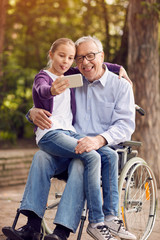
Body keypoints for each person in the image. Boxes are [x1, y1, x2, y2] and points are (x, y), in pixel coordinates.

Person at [2, 36, 135, 240]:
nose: (84, 62)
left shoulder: (120, 86)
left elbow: (125, 126)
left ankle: (62, 232)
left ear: (102, 56)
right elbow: (45, 88)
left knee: (84, 159)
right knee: (41, 157)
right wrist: (32, 112)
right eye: (79, 58)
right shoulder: (75, 79)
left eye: (90, 56)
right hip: (66, 143)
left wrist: (98, 140)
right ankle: (32, 226)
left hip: (97, 150)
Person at [32, 37, 118, 239]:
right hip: (54, 134)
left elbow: (95, 62)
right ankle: (96, 221)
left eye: (71, 58)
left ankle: (111, 217)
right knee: (91, 157)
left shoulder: (71, 74)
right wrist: (49, 93)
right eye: (62, 55)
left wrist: (118, 68)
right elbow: (40, 90)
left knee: (108, 155)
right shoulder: (47, 77)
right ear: (51, 54)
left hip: (71, 134)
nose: (66, 61)